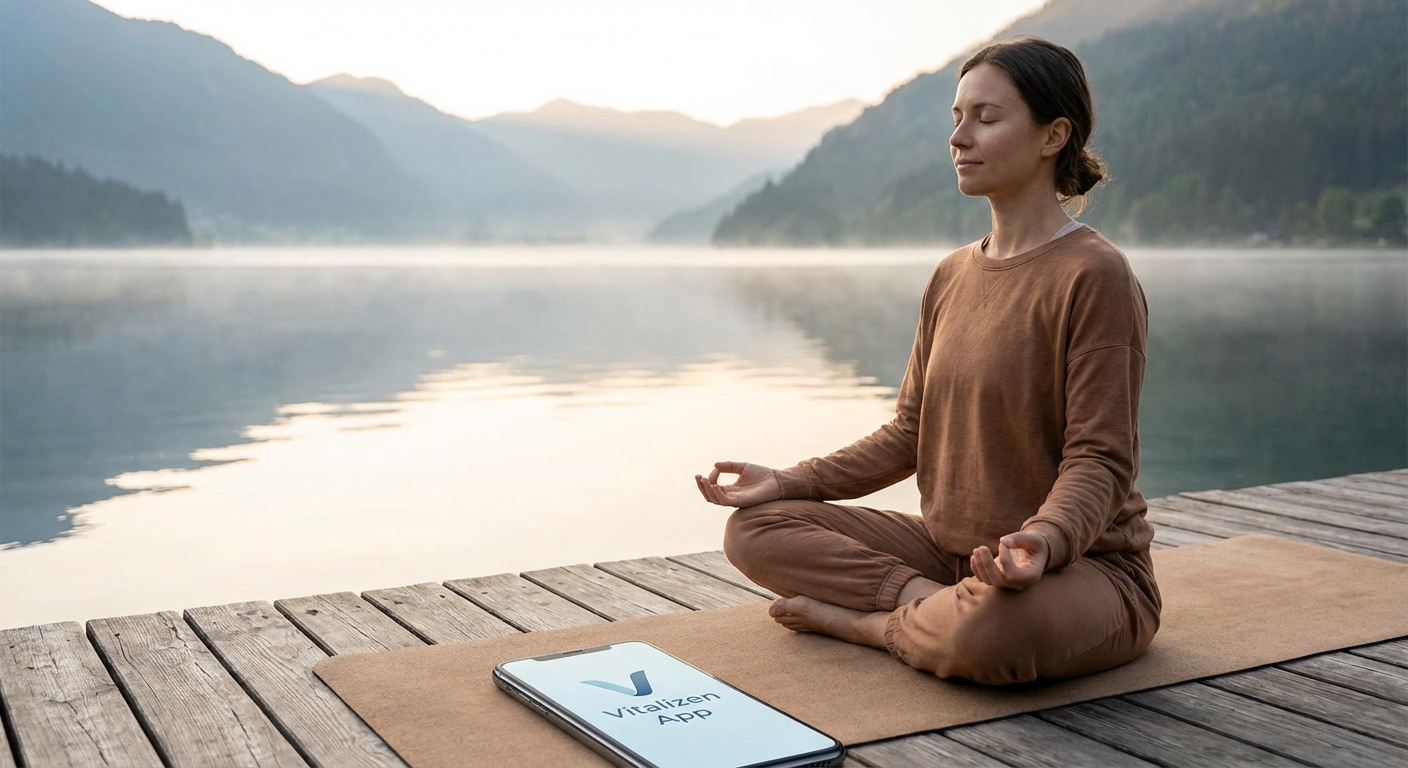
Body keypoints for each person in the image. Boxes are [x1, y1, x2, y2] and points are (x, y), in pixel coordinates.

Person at [694, 37, 1159, 686]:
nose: (959, 138)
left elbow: (1100, 458)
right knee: (754, 530)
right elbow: (912, 430)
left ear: (1054, 135)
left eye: (986, 119)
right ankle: (929, 607)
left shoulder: (1095, 274)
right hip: (951, 558)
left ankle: (867, 624)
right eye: (956, 119)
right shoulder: (951, 275)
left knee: (996, 631)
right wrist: (790, 481)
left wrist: (1042, 542)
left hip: (1082, 569)